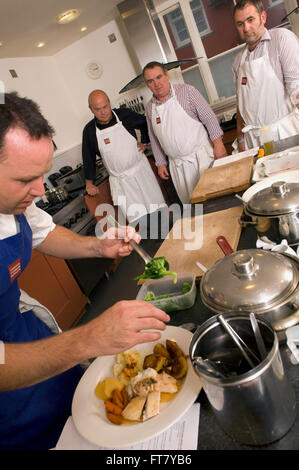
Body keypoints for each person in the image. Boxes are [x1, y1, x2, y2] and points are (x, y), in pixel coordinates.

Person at [0, 92, 170, 450]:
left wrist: (98, 245)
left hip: (32, 338)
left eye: (42, 176)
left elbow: (44, 232)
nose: (39, 190)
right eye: (25, 180)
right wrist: (89, 339)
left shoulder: (15, 201)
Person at [143, 61, 227, 205]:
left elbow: (209, 118)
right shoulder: (150, 108)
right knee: (193, 207)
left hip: (202, 158)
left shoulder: (187, 92)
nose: (156, 83)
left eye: (159, 77)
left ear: (167, 75)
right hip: (178, 168)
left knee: (217, 200)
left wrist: (218, 144)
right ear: (147, 84)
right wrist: (160, 163)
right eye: (151, 81)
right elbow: (154, 138)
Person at [82, 90, 166, 224]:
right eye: (98, 109)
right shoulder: (89, 131)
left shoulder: (124, 115)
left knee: (158, 211)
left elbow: (146, 124)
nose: (103, 112)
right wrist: (89, 183)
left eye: (105, 107)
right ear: (91, 109)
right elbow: (88, 158)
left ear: (109, 103)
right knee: (139, 220)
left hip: (141, 172)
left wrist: (144, 141)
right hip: (122, 182)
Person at [232, 0, 299, 152]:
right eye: (240, 24)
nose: (246, 28)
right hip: (254, 142)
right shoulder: (238, 61)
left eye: (250, 20)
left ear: (263, 17)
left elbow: (297, 89)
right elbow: (241, 103)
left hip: (285, 134)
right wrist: (240, 138)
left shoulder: (282, 39)